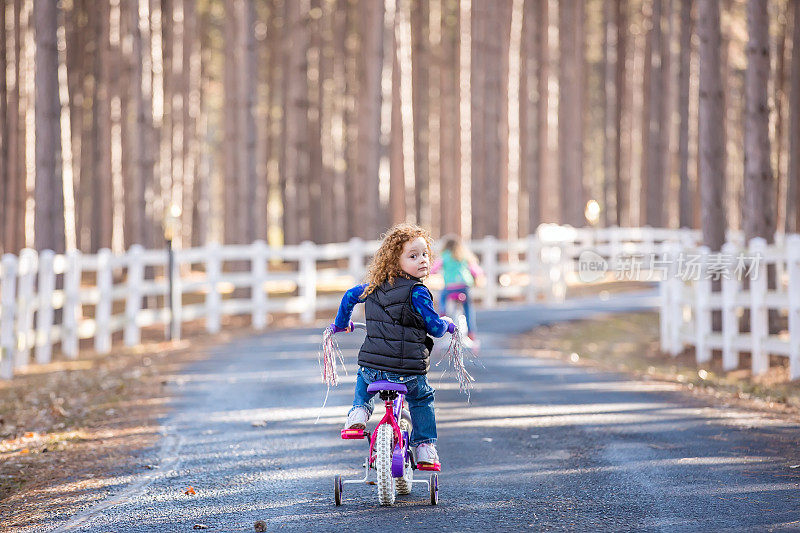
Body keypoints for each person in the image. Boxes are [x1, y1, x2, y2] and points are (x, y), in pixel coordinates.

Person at [329, 223, 454, 470]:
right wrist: (447, 325)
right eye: (413, 256)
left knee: (363, 380)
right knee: (422, 398)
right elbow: (434, 327)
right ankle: (425, 447)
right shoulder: (418, 292)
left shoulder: (372, 287)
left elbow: (348, 297)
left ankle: (358, 413)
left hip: (373, 369)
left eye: (425, 254)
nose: (422, 261)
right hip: (409, 373)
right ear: (395, 262)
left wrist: (341, 324)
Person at [430, 235, 483, 342]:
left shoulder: (444, 256)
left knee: (442, 297)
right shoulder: (464, 256)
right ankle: (471, 332)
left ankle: (443, 315)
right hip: (464, 286)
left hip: (450, 287)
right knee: (468, 308)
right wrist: (477, 278)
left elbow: (433, 269)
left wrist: (433, 273)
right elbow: (476, 271)